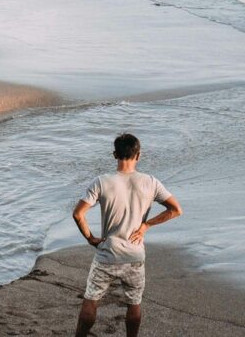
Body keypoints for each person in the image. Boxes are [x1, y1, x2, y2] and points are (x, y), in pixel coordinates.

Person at [72, 133, 182, 337]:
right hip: (134, 255)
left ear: (115, 154)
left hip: (107, 254)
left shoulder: (102, 182)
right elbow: (175, 210)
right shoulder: (151, 182)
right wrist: (146, 225)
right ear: (138, 155)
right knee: (134, 302)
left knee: (91, 300)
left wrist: (91, 238)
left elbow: (78, 214)